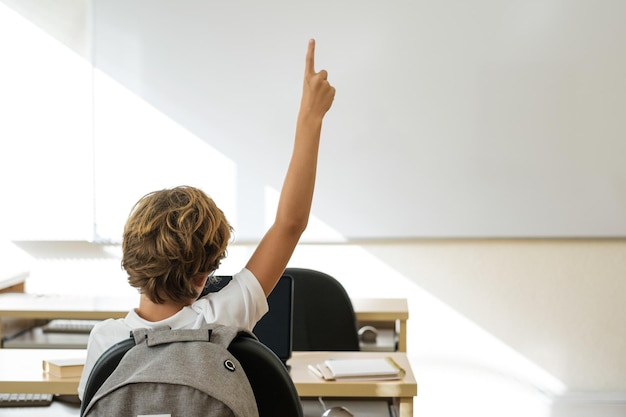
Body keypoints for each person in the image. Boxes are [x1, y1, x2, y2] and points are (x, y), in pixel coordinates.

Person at [77, 38, 335, 400]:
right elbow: (289, 224)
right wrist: (311, 117)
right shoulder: (217, 323)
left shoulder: (105, 342)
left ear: (131, 257)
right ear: (203, 277)